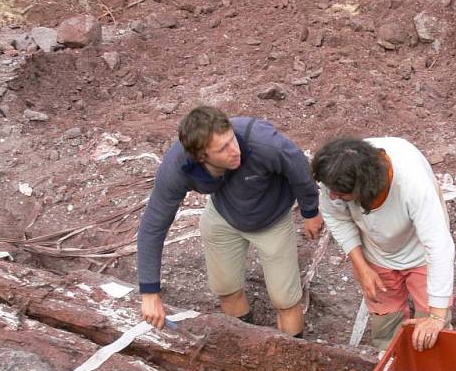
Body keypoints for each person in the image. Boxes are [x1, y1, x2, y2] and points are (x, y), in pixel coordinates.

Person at [137, 106, 323, 337]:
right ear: (201, 157)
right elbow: (153, 224)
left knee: (285, 300)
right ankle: (246, 343)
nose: (234, 150)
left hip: (272, 218)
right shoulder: (178, 167)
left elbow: (299, 169)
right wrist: (149, 292)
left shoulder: (263, 143)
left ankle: (289, 355)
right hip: (223, 214)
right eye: (223, 148)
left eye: (232, 139)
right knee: (226, 289)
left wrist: (310, 212)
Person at [311, 137, 454, 351]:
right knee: (386, 323)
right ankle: (389, 361)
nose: (332, 196)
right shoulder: (334, 173)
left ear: (365, 190)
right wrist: (362, 267)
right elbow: (337, 218)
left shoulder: (413, 185)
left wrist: (436, 316)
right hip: (376, 251)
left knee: (432, 331)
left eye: (341, 194)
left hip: (421, 254)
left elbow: (438, 248)